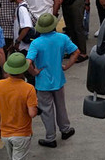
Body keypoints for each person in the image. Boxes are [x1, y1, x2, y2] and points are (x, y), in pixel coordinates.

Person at [29, 13, 80, 148]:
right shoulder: (62, 38)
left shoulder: (35, 43)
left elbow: (28, 62)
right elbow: (76, 52)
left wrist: (34, 72)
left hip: (42, 83)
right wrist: (66, 66)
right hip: (58, 79)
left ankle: (50, 137)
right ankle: (65, 129)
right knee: (61, 106)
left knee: (46, 110)